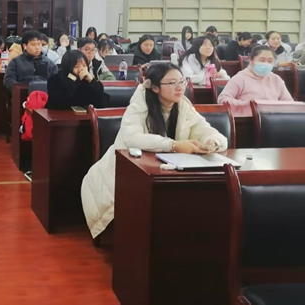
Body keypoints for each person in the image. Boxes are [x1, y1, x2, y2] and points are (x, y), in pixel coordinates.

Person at [80, 63, 227, 238]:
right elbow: (132, 138)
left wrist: (212, 142)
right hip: (126, 170)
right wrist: (174, 145)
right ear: (155, 87)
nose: (180, 87)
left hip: (166, 171)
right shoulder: (139, 105)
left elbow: (207, 130)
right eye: (172, 83)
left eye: (182, 81)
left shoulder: (183, 105)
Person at [218, 45, 293, 117]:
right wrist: (244, 104)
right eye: (262, 60)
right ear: (251, 61)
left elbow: (289, 101)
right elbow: (222, 99)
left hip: (274, 119)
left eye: (270, 61)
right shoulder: (240, 78)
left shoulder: (276, 79)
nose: (266, 64)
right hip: (247, 119)